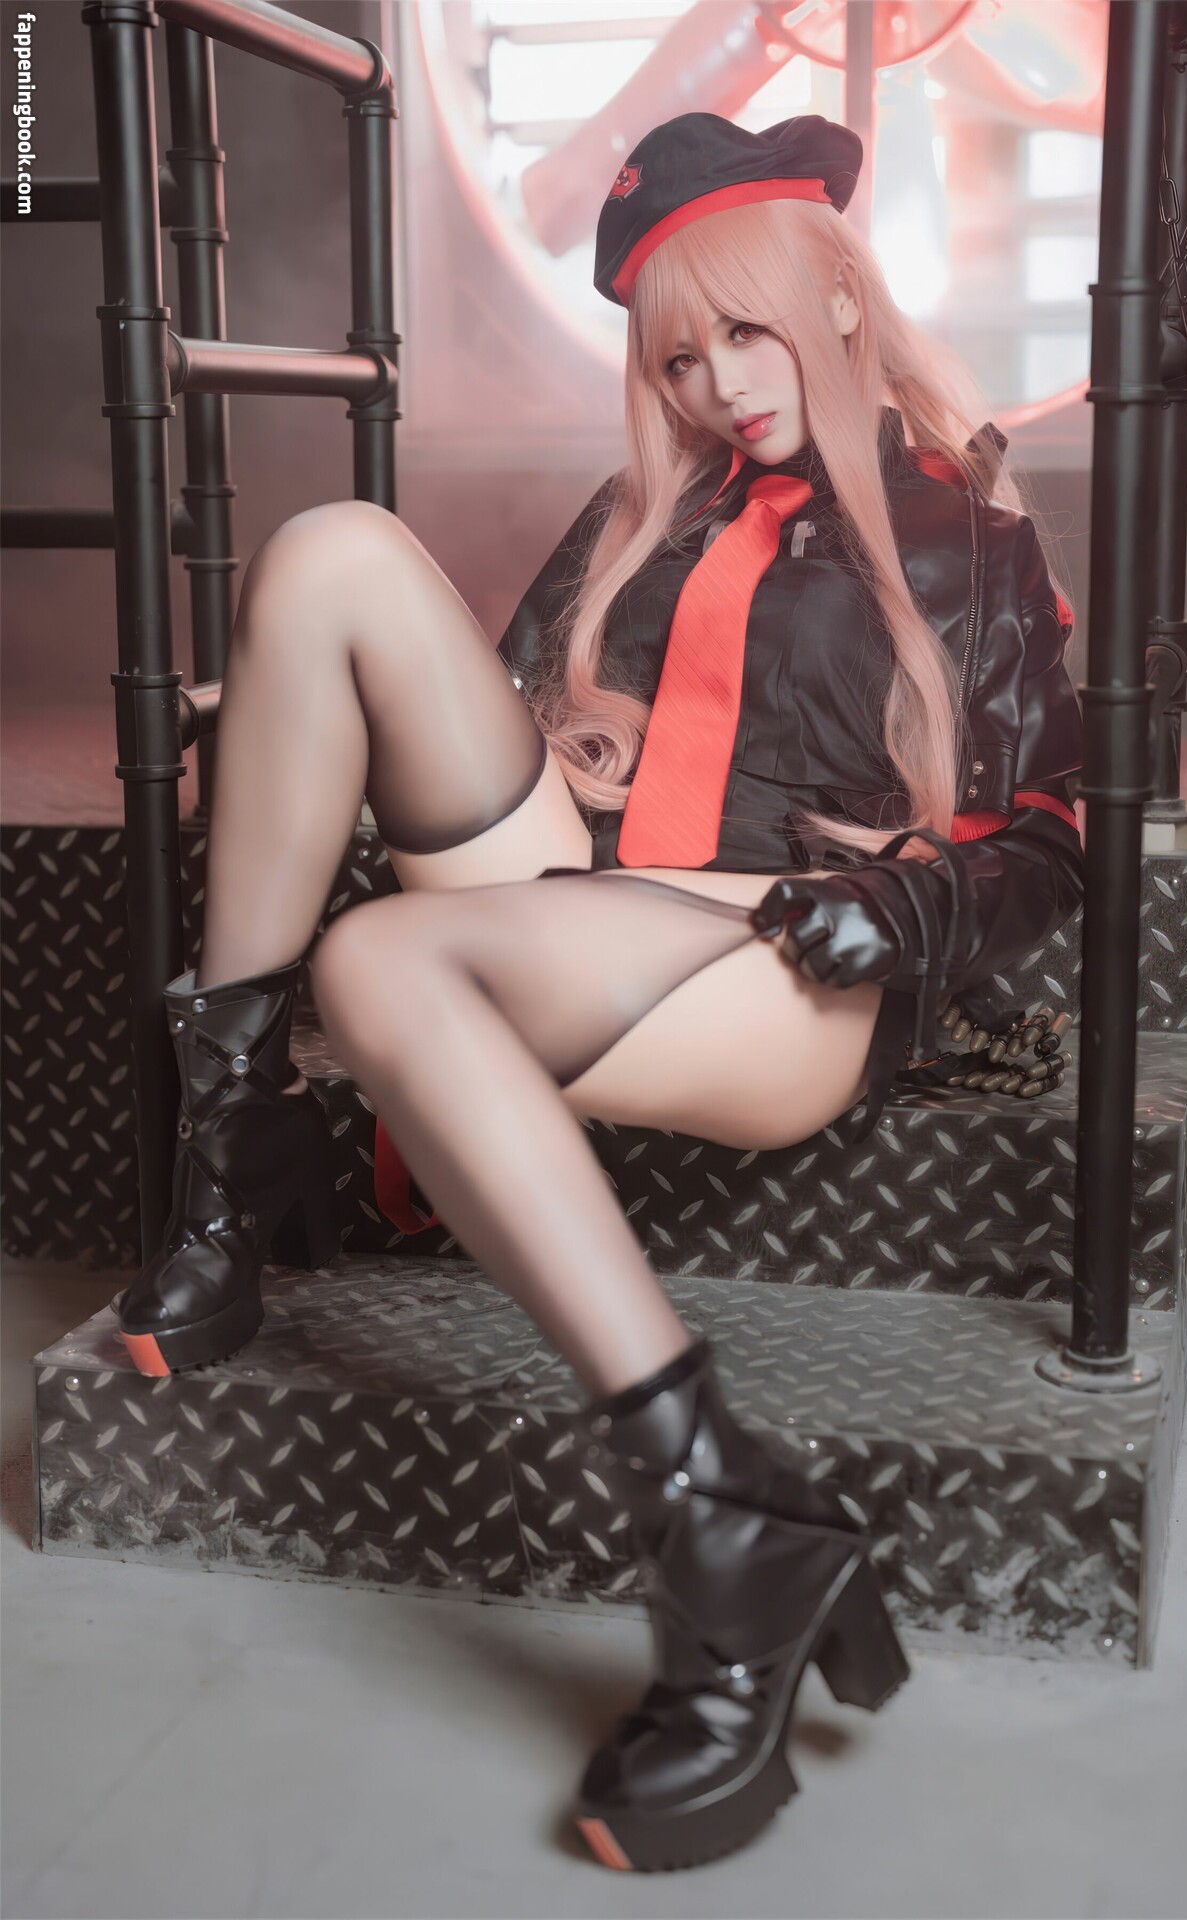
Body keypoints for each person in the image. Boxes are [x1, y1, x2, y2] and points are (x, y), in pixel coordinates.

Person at [111, 113, 1085, 1870]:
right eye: (681, 357)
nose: (719, 386)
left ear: (838, 299)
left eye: (747, 332)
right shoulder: (653, 510)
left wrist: (909, 898)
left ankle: (721, 1514)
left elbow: (1057, 834)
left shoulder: (969, 529)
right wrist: (548, 737)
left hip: (785, 953)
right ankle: (234, 1162)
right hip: (586, 894)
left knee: (375, 956)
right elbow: (474, 718)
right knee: (330, 548)